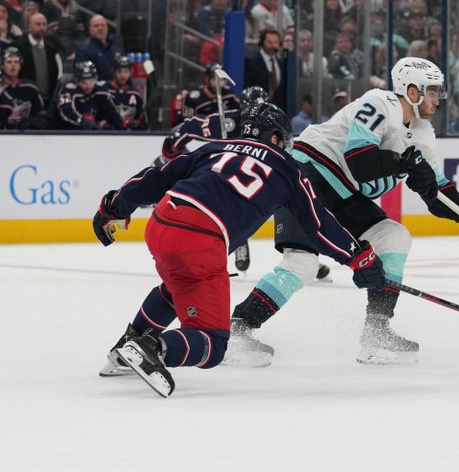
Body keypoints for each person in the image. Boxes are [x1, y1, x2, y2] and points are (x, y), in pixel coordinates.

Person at [228, 58, 459, 366]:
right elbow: (360, 159)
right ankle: (239, 329)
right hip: (309, 175)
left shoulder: (423, 134)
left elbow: (438, 192)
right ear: (411, 91)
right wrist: (404, 163)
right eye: (431, 91)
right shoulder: (380, 103)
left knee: (394, 236)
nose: (437, 99)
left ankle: (376, 333)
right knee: (303, 262)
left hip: (346, 194)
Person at [94, 102, 386, 397]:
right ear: (274, 137)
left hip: (161, 223)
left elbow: (155, 178)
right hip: (201, 238)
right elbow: (318, 223)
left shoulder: (214, 148)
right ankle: (152, 347)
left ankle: (125, 347)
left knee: (176, 286)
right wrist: (358, 256)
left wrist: (113, 207)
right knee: (214, 343)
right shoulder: (287, 169)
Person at [54, 60, 123, 129]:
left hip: (91, 131)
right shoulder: (69, 91)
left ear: (96, 79)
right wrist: (82, 121)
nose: (88, 86)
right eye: (83, 82)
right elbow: (67, 112)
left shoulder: (101, 92)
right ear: (77, 81)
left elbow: (111, 112)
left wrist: (122, 124)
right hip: (67, 133)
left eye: (91, 81)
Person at [14, 12, 62, 103]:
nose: (42, 28)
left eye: (44, 24)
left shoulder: (52, 48)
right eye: (38, 24)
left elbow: (57, 73)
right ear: (29, 26)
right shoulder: (19, 47)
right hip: (25, 99)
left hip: (48, 99)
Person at [0, 47, 46, 129]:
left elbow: (41, 114)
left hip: (27, 135)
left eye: (16, 62)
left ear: (20, 66)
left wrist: (29, 122)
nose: (13, 65)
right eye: (9, 62)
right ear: (2, 66)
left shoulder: (30, 88)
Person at [245, 29, 286, 110]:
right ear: (262, 43)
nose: (273, 46)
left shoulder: (281, 64)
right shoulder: (251, 62)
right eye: (269, 42)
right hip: (258, 109)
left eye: (276, 42)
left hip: (277, 110)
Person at [74, 15, 124, 81]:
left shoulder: (117, 48)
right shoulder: (84, 51)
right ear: (89, 29)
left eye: (103, 25)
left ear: (107, 28)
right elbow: (83, 78)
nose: (100, 28)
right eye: (96, 26)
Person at [104, 55, 146, 130]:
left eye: (126, 72)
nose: (123, 75)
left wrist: (138, 126)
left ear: (130, 72)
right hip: (106, 137)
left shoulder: (135, 94)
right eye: (119, 71)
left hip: (129, 138)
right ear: (113, 72)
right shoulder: (103, 91)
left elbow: (142, 121)